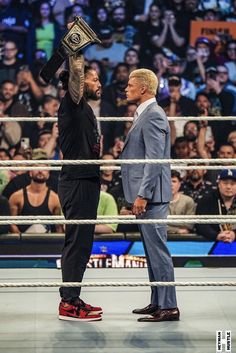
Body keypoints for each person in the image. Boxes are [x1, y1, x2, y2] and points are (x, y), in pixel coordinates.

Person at [120, 68, 179, 322]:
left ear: (143, 88)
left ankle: (169, 307)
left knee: (158, 251)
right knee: (151, 251)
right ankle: (158, 302)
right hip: (147, 195)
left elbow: (155, 160)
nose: (126, 88)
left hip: (152, 196)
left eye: (130, 85)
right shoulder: (145, 113)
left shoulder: (153, 115)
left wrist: (143, 195)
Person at [56, 22, 103, 322]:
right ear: (82, 82)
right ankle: (68, 303)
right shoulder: (72, 104)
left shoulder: (84, 107)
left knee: (84, 241)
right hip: (76, 182)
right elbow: (75, 77)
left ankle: (74, 297)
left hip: (85, 180)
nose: (99, 83)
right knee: (76, 240)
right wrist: (77, 50)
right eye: (94, 79)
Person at [8, 148, 62, 234]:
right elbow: (11, 224)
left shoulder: (55, 199)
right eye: (36, 167)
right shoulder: (16, 197)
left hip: (47, 244)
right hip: (22, 244)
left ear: (48, 172)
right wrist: (24, 242)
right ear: (30, 172)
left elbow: (59, 228)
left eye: (44, 167)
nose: (40, 171)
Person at [196, 169, 236, 242]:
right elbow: (200, 224)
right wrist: (216, 235)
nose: (228, 187)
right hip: (210, 243)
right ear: (219, 184)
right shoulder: (206, 200)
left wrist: (234, 234)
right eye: (225, 183)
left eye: (232, 184)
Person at [168, 170, 196, 235]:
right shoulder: (158, 202)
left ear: (179, 184)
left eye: (174, 181)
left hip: (183, 240)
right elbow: (157, 226)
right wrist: (177, 230)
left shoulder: (188, 201)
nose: (171, 184)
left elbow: (189, 225)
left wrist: (167, 224)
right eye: (167, 181)